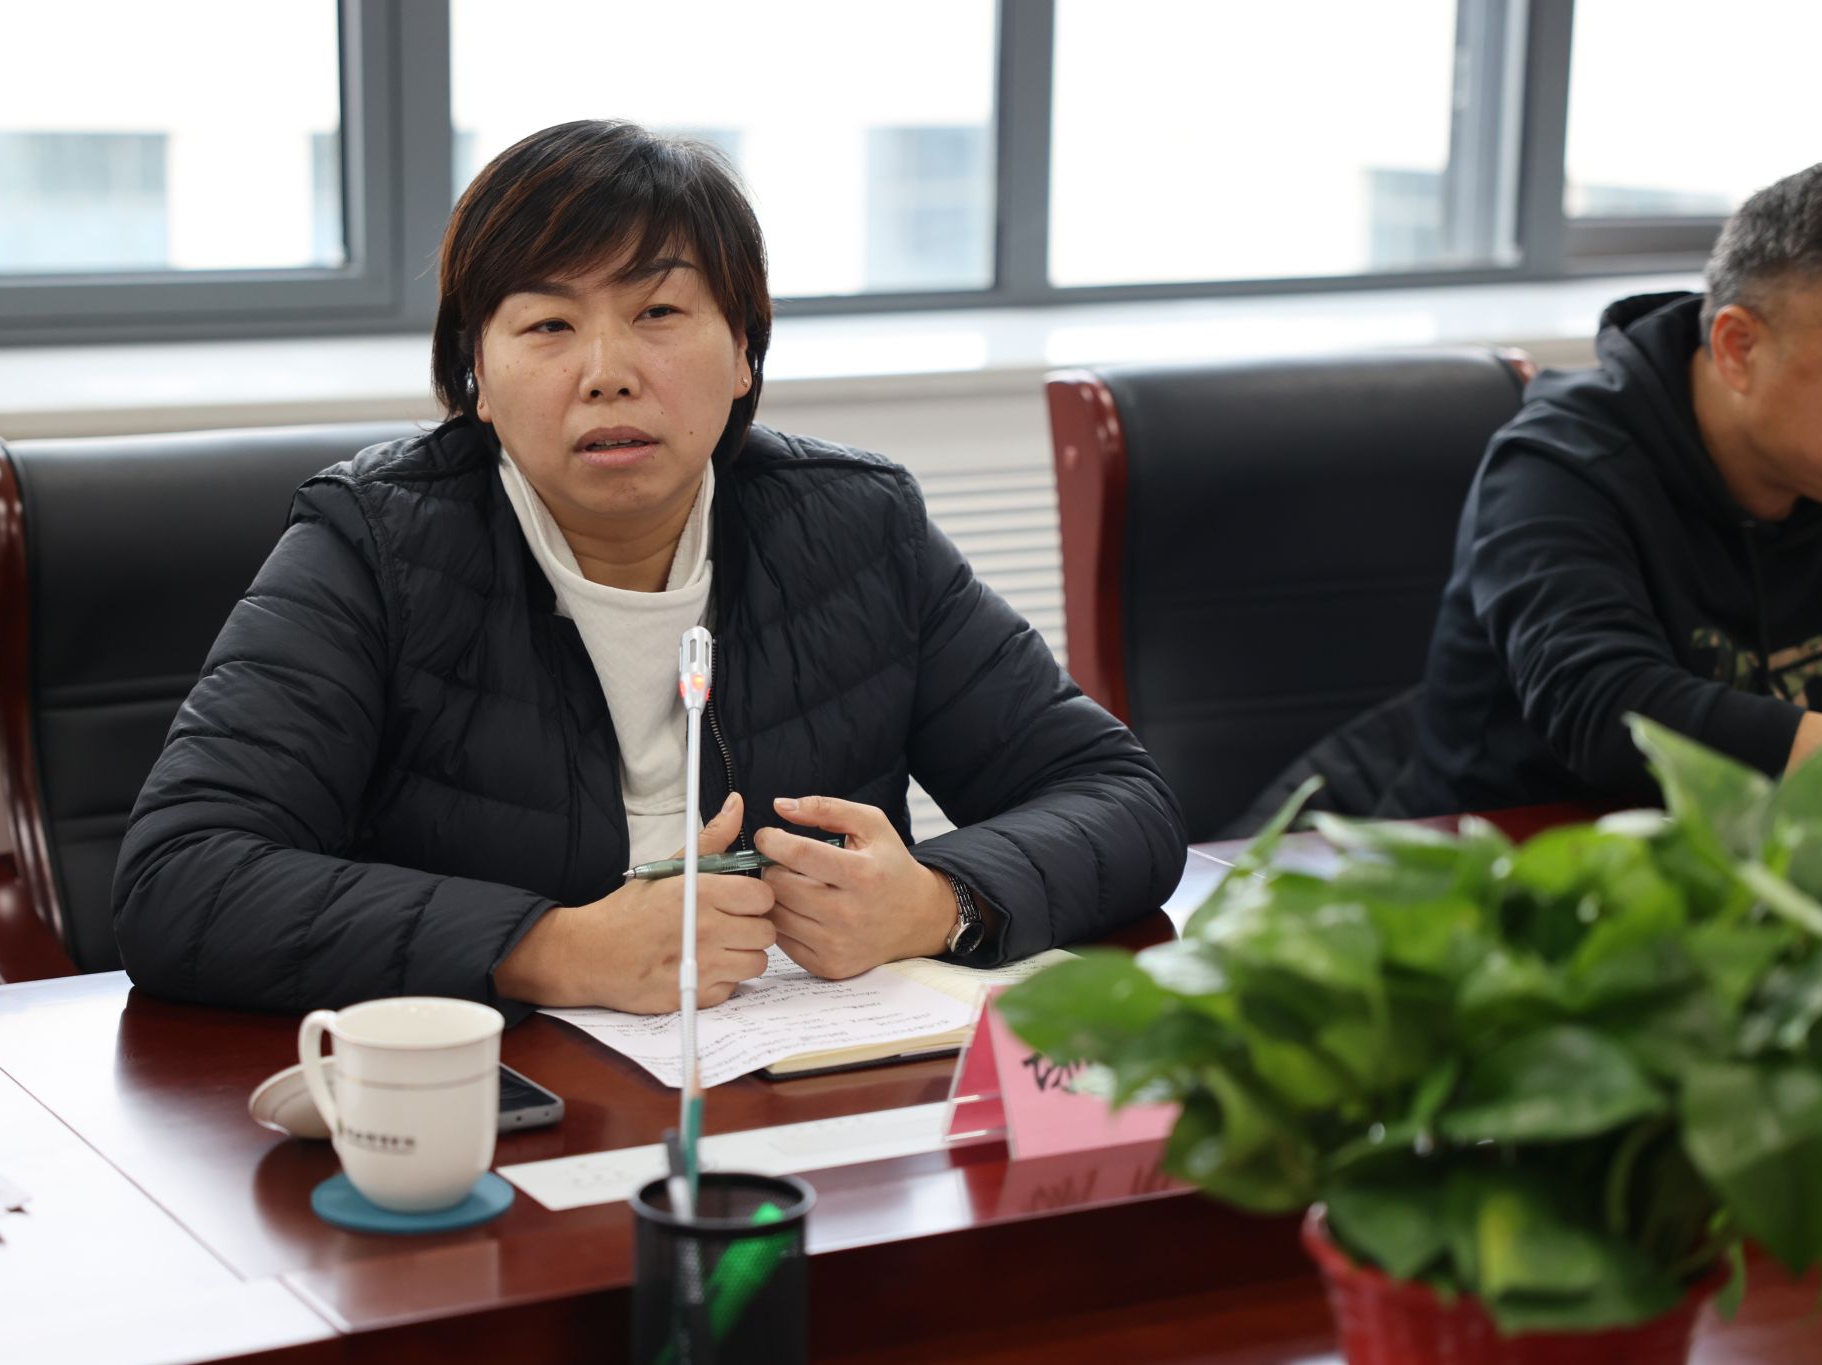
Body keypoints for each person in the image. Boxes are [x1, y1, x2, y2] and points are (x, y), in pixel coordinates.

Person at [111, 120, 1186, 1021]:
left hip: (813, 1091)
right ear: (475, 372)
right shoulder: (373, 547)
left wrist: (937, 901)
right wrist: (549, 948)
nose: (607, 373)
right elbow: (179, 879)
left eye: (658, 314)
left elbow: (1119, 798)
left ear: (744, 351)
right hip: (511, 1106)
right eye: (548, 323)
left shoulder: (856, 526)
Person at [1389, 157, 1822, 816]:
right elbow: (1605, 705)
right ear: (1738, 348)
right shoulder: (1555, 467)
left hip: (1766, 848)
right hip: (1517, 852)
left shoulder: (1820, 466)